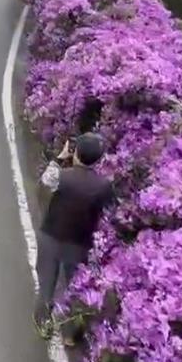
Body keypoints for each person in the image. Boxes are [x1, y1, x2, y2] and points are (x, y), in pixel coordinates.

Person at [34, 133, 115, 346]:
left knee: (46, 284)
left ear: (75, 152)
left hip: (51, 236)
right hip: (79, 244)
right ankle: (70, 334)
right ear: (99, 159)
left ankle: (44, 323)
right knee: (74, 288)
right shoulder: (104, 186)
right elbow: (109, 213)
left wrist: (60, 157)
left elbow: (45, 180)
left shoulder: (63, 176)